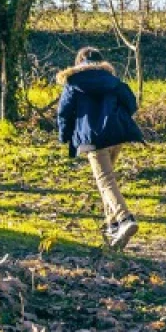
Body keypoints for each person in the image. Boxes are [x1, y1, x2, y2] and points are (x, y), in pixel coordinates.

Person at [56, 47, 143, 250]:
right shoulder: (111, 80)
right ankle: (111, 227)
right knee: (107, 180)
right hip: (116, 134)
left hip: (92, 138)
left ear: (78, 63)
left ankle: (125, 219)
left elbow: (64, 112)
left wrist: (64, 137)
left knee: (105, 181)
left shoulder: (73, 82)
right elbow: (131, 103)